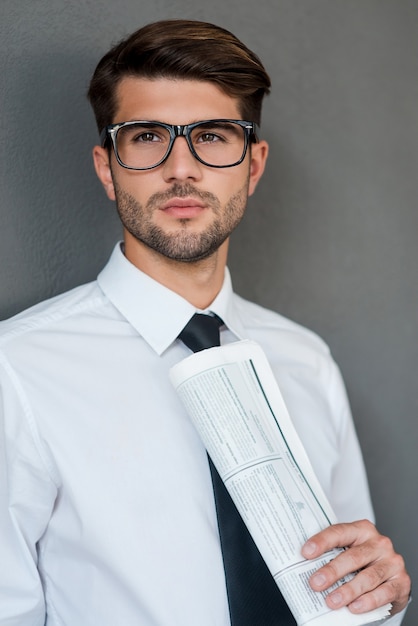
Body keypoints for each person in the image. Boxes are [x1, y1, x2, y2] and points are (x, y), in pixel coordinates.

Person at [0, 19, 410, 626]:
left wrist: (382, 600)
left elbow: (350, 593)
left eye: (213, 137)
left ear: (254, 165)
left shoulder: (306, 361)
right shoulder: (18, 370)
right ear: (107, 167)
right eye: (146, 137)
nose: (182, 168)